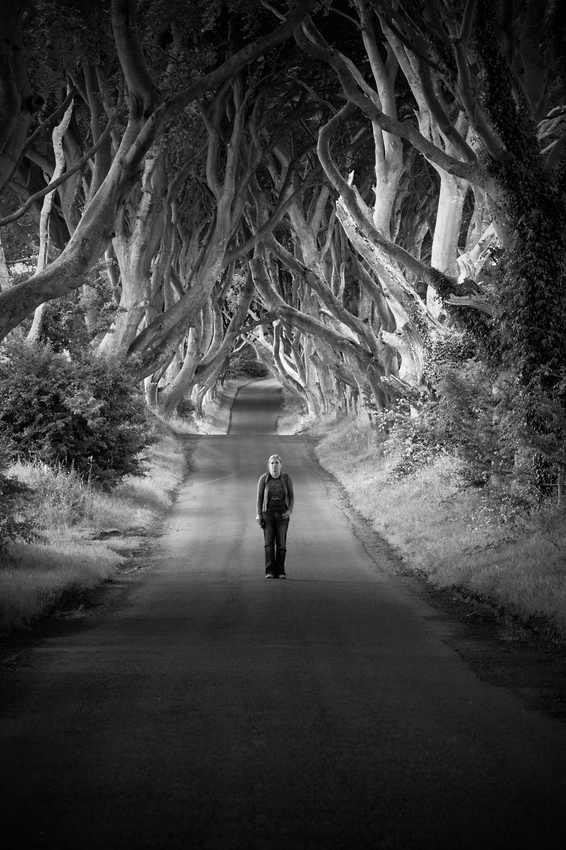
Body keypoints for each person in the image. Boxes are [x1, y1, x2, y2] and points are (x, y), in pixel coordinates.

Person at [256, 454, 294, 579]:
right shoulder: (264, 479)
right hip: (268, 514)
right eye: (272, 463)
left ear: (281, 464)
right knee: (269, 544)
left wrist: (289, 510)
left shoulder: (287, 478)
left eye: (277, 463)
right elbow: (260, 498)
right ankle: (270, 571)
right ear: (269, 465)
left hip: (282, 515)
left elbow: (292, 496)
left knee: (281, 545)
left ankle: (280, 571)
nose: (274, 466)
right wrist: (258, 514)